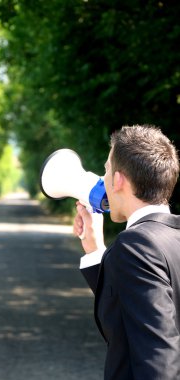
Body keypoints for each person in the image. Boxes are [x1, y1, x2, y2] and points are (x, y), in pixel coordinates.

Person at [73, 124, 180, 380]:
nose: (104, 179)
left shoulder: (135, 246)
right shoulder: (167, 238)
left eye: (107, 170)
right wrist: (96, 251)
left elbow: (158, 359)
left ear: (119, 180)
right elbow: (135, 302)